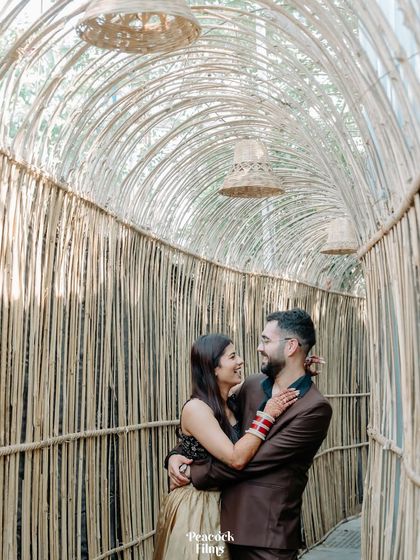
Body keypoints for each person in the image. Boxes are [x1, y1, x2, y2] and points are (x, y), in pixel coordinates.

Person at [168, 309, 333, 560]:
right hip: (219, 527)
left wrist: (193, 472)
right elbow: (215, 426)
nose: (258, 347)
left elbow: (249, 461)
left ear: (291, 347)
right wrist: (177, 454)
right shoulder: (253, 385)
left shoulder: (314, 408)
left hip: (267, 535)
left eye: (266, 340)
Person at [153, 333, 300, 560]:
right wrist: (267, 415)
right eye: (232, 357)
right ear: (213, 368)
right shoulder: (196, 409)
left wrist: (300, 366)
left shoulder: (233, 399)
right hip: (197, 509)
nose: (240, 360)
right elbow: (235, 458)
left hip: (228, 503)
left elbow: (270, 383)